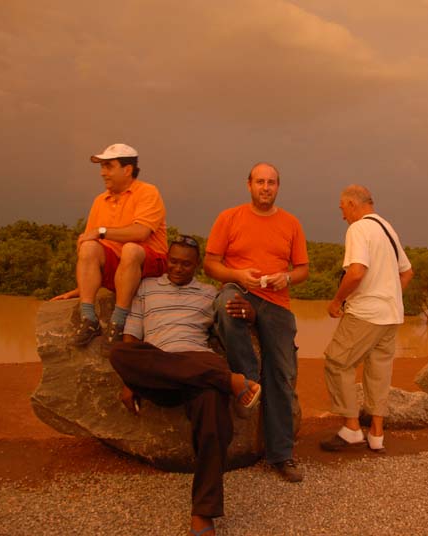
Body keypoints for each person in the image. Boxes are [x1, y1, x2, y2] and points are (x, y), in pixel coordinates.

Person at [109, 236, 261, 536]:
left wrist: (250, 312)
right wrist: (131, 381)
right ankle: (230, 382)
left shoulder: (208, 294)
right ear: (167, 260)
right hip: (160, 366)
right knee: (118, 352)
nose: (178, 268)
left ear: (196, 265)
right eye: (173, 261)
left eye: (186, 263)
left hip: (199, 365)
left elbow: (238, 321)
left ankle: (203, 513)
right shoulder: (146, 288)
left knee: (214, 423)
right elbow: (132, 337)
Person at [203, 162, 309, 482]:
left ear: (278, 187)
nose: (266, 187)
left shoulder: (291, 223)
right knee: (225, 305)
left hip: (276, 301)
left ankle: (281, 455)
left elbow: (303, 269)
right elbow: (210, 264)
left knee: (282, 374)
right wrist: (237, 274)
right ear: (248, 184)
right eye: (260, 181)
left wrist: (286, 276)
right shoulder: (229, 217)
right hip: (241, 289)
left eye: (272, 182)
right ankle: (248, 382)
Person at [319, 185, 413, 454]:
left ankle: (351, 429)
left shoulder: (358, 229)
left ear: (351, 204)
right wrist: (388, 295)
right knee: (378, 370)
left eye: (341, 208)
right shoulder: (387, 228)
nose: (342, 215)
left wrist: (337, 301)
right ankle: (376, 434)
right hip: (391, 315)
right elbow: (407, 273)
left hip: (366, 313)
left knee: (337, 361)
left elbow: (357, 272)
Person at [53, 143, 168, 356]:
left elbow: (141, 233)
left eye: (108, 166)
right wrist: (82, 288)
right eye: (102, 167)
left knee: (131, 249)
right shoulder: (100, 200)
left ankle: (118, 321)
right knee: (88, 247)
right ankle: (89, 318)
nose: (103, 173)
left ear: (127, 169)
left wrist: (102, 231)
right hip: (118, 267)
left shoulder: (147, 192)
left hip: (150, 262)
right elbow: (90, 246)